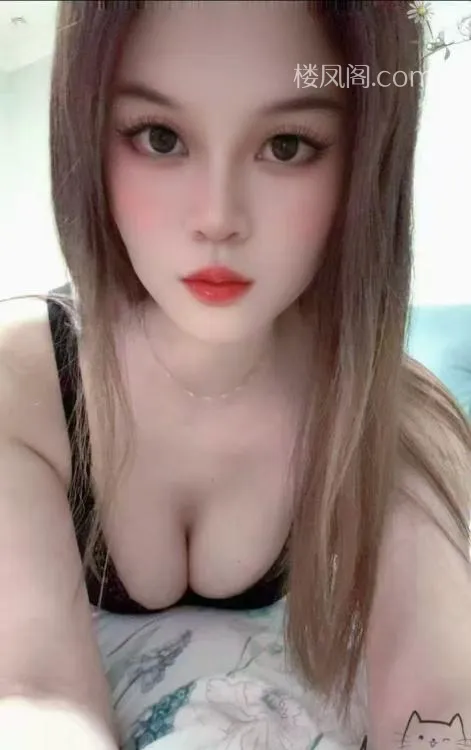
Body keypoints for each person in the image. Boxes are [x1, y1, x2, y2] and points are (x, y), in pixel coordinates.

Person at [0, 1, 470, 749]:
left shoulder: (395, 416)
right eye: (160, 138)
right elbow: (33, 691)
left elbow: (440, 710)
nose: (218, 217)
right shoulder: (21, 383)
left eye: (286, 145)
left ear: (362, 163)